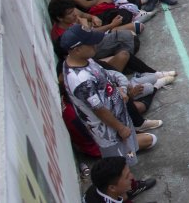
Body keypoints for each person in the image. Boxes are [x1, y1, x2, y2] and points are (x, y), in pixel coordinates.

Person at [61, 25, 158, 164]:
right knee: (120, 161)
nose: (95, 45)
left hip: (119, 117)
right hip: (109, 131)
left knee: (129, 153)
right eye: (90, 43)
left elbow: (105, 76)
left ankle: (130, 180)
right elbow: (99, 109)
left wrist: (120, 88)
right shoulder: (80, 80)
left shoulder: (86, 60)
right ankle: (131, 184)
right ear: (77, 49)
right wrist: (120, 128)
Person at [83, 156, 157, 203]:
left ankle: (130, 191)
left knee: (123, 190)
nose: (132, 176)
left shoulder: (100, 185)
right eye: (127, 176)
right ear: (112, 188)